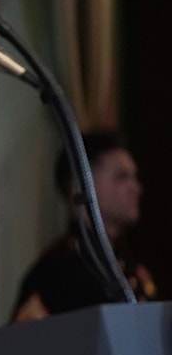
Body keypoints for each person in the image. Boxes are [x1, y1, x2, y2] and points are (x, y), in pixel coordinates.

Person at [11, 130, 159, 322]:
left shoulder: (130, 267)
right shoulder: (56, 274)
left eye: (134, 177)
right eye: (122, 177)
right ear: (79, 186)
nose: (136, 188)